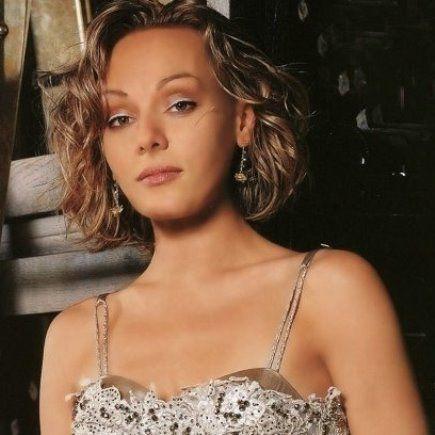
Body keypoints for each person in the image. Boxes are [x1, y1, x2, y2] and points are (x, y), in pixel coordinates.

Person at [38, 0, 429, 434]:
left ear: (242, 120)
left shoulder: (332, 292)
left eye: (180, 104)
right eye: (119, 118)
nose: (147, 138)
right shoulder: (73, 339)